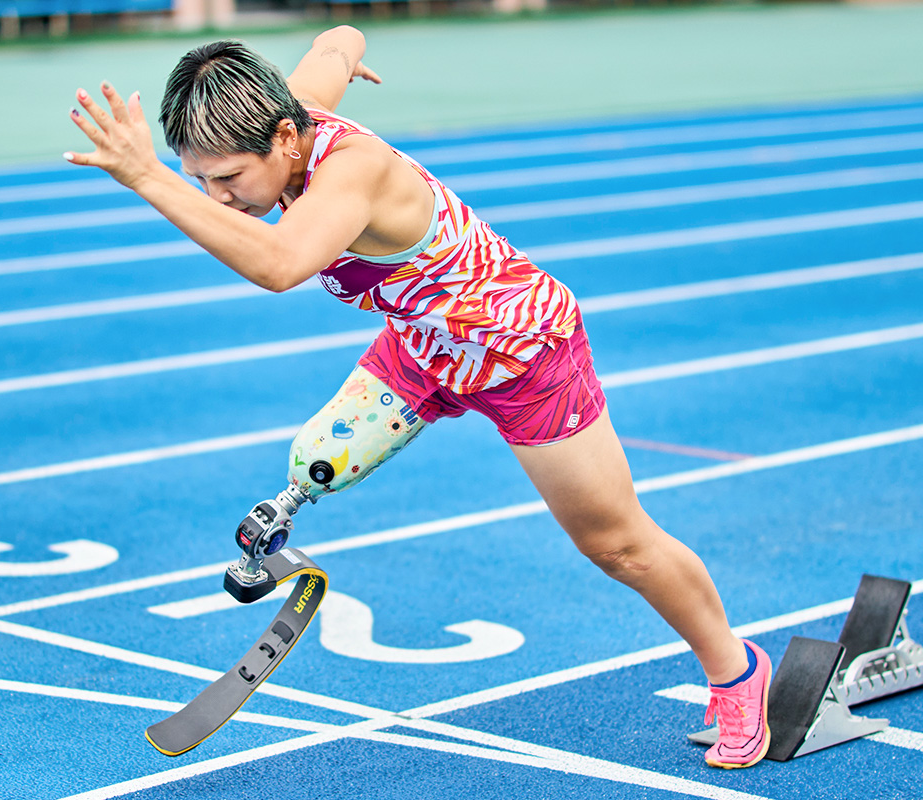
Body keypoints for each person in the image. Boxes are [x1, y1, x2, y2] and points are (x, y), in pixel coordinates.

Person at [63, 27, 773, 768]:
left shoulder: (354, 171)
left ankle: (736, 671)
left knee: (616, 544)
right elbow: (337, 39)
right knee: (314, 463)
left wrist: (149, 178)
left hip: (518, 350)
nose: (221, 199)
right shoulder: (292, 109)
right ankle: (283, 515)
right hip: (423, 343)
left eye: (230, 179)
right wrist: (347, 48)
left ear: (284, 139)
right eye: (197, 179)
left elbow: (278, 265)